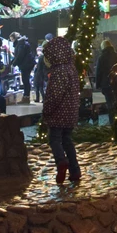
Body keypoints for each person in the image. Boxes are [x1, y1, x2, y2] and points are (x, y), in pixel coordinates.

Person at [43, 36, 81, 185]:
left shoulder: (59, 71)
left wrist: (47, 110)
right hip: (70, 111)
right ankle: (75, 171)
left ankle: (61, 161)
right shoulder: (71, 67)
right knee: (67, 141)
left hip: (59, 112)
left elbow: (55, 95)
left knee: (55, 139)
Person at [95, 38, 117, 117]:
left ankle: (113, 122)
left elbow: (98, 72)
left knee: (110, 104)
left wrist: (97, 84)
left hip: (106, 84)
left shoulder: (101, 57)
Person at [10, 31, 35, 103]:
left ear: (15, 38)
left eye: (12, 39)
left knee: (25, 80)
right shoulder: (21, 43)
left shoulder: (21, 44)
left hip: (26, 64)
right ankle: (26, 97)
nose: (12, 41)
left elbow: (20, 55)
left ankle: (26, 98)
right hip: (27, 64)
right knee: (25, 80)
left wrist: (13, 64)